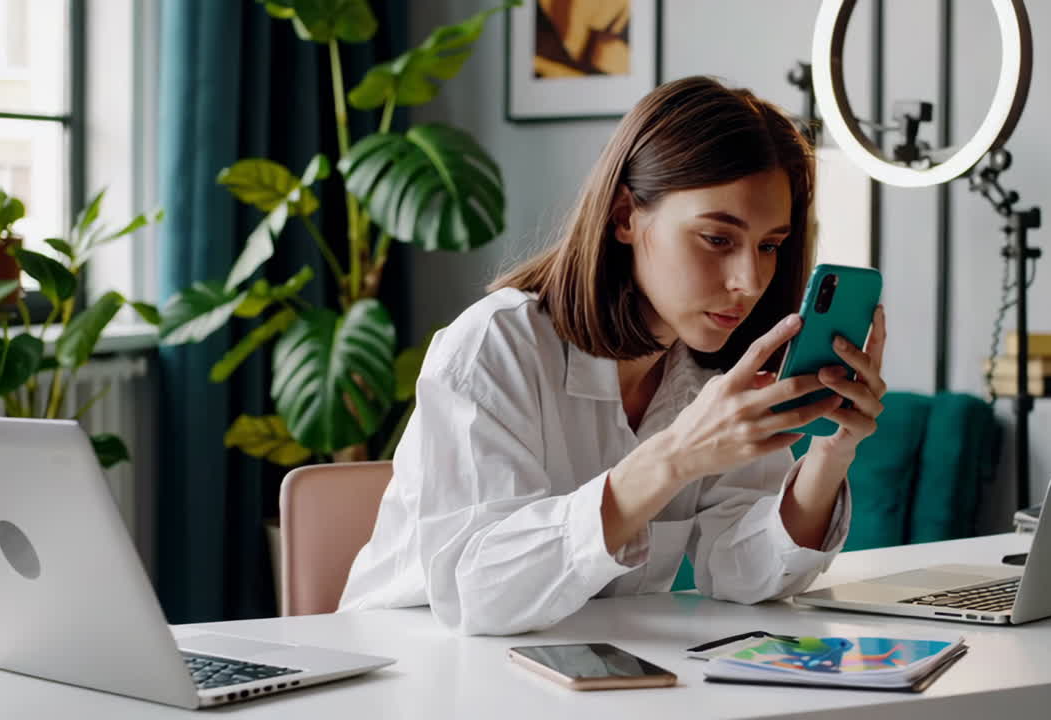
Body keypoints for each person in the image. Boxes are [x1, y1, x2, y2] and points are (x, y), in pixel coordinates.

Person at [338, 75, 888, 635]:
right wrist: (674, 456)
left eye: (769, 245)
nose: (749, 280)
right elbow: (481, 594)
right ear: (626, 216)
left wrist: (830, 453)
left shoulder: (711, 372)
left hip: (584, 669)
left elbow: (742, 572)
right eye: (717, 239)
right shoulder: (495, 345)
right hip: (412, 666)